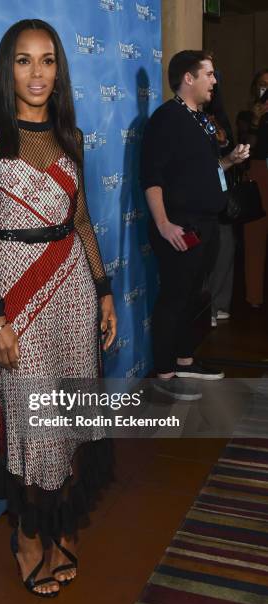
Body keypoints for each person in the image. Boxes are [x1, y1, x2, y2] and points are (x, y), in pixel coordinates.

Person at [0, 19, 117, 598]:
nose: (37, 73)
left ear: (59, 69)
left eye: (47, 60)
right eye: (24, 61)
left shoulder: (69, 137)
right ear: (7, 69)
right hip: (19, 299)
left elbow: (80, 221)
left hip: (72, 287)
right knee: (31, 421)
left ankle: (61, 526)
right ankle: (29, 536)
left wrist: (103, 289)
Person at [140, 50, 250, 400]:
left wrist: (229, 160)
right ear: (189, 78)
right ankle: (165, 373)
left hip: (207, 223)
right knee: (174, 297)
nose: (215, 81)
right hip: (180, 227)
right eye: (210, 74)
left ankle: (185, 360)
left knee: (191, 296)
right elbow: (151, 177)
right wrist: (163, 225)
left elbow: (206, 171)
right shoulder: (166, 119)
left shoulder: (200, 119)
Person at [203, 81, 236, 327]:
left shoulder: (218, 117)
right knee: (208, 253)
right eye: (208, 75)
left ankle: (219, 304)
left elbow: (226, 154)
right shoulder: (187, 117)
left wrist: (223, 143)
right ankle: (208, 308)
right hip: (201, 196)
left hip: (222, 193)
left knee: (226, 246)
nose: (212, 83)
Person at [237, 68, 268, 308]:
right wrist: (256, 121)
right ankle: (254, 296)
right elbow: (246, 151)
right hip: (257, 174)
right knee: (255, 237)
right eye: (262, 85)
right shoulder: (246, 116)